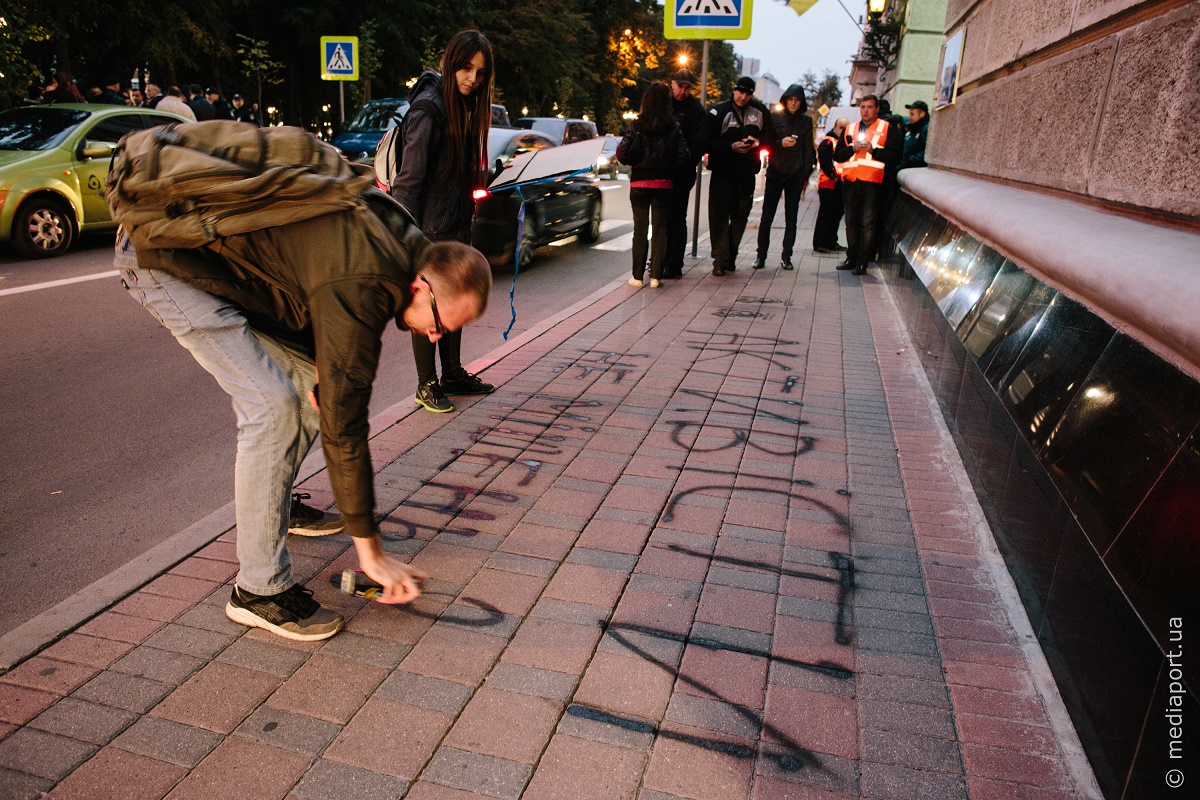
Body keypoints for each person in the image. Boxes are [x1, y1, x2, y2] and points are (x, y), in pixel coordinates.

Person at [116, 185, 492, 641]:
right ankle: (258, 591)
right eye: (439, 324)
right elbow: (346, 427)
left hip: (232, 266)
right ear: (421, 286)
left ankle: (274, 506)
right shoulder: (366, 281)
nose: (435, 339)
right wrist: (370, 554)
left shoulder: (405, 248)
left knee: (315, 395)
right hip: (164, 259)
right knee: (273, 407)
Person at [391, 29, 496, 415]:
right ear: (451, 63)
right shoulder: (428, 109)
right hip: (427, 230)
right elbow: (409, 182)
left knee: (457, 300)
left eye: (480, 72)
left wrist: (486, 178)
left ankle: (452, 373)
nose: (472, 78)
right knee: (431, 307)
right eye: (466, 68)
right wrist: (404, 240)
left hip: (454, 222)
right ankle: (426, 383)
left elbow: (454, 171)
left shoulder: (463, 106)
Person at [617, 83, 688, 288]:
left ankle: (637, 277)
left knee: (640, 229)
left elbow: (622, 153)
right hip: (664, 184)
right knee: (660, 230)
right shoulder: (674, 127)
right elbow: (683, 157)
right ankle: (656, 276)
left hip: (639, 183)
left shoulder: (637, 125)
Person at [706, 76, 775, 276]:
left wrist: (757, 143)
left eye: (747, 93)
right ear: (734, 90)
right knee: (718, 217)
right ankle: (719, 260)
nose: (743, 97)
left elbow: (771, 138)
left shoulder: (760, 112)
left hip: (746, 173)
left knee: (739, 218)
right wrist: (729, 147)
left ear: (752, 94)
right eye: (740, 92)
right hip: (722, 172)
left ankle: (730, 257)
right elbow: (707, 140)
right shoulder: (718, 111)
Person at [833, 95, 901, 276]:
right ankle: (851, 258)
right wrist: (851, 149)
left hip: (872, 183)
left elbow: (894, 156)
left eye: (870, 107)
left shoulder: (886, 128)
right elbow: (838, 155)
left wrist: (873, 150)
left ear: (877, 108)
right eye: (863, 107)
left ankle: (863, 262)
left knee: (867, 224)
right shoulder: (850, 128)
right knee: (850, 222)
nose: (865, 110)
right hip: (850, 182)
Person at [754, 83, 814, 271]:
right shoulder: (775, 117)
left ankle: (786, 256)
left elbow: (808, 149)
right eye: (791, 99)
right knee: (767, 217)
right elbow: (767, 142)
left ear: (801, 102)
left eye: (797, 100)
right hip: (775, 172)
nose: (794, 103)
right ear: (785, 100)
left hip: (795, 175)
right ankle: (760, 256)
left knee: (792, 218)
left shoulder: (806, 121)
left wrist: (805, 174)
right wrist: (780, 143)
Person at [663, 68, 708, 280]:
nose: (682, 90)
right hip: (662, 171)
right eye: (679, 86)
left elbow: (698, 145)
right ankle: (661, 259)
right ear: (672, 84)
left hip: (681, 173)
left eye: (687, 87)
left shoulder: (695, 111)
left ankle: (673, 264)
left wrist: (683, 162)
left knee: (677, 218)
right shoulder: (664, 105)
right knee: (663, 218)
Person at [813, 117, 849, 254]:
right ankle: (820, 243)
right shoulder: (828, 142)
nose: (843, 130)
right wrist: (833, 175)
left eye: (845, 128)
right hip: (828, 183)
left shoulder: (843, 143)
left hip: (839, 183)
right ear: (834, 127)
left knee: (836, 214)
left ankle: (831, 241)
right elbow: (826, 163)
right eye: (841, 127)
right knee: (826, 214)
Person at [898, 100, 929, 171]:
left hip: (914, 169)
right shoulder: (912, 130)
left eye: (912, 114)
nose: (909, 117)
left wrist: (909, 161)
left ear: (922, 114)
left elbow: (927, 153)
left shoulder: (925, 130)